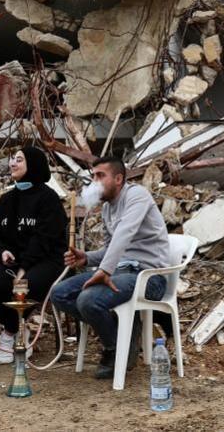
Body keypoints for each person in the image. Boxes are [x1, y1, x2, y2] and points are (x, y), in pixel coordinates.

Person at [51, 157, 169, 379]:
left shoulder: (137, 195)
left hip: (148, 276)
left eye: (100, 176)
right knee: (60, 294)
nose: (94, 181)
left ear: (118, 179)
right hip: (120, 272)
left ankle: (114, 350)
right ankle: (120, 338)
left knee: (88, 300)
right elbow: (110, 249)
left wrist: (104, 271)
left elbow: (124, 234)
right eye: (93, 176)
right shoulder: (107, 209)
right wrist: (86, 259)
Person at [0, 147, 68, 364]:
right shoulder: (7, 199)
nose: (12, 163)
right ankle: (12, 330)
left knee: (28, 284)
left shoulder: (49, 199)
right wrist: (2, 252)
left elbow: (44, 239)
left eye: (19, 160)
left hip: (46, 260)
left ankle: (19, 331)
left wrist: (24, 268)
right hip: (14, 260)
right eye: (12, 159)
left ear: (33, 164)